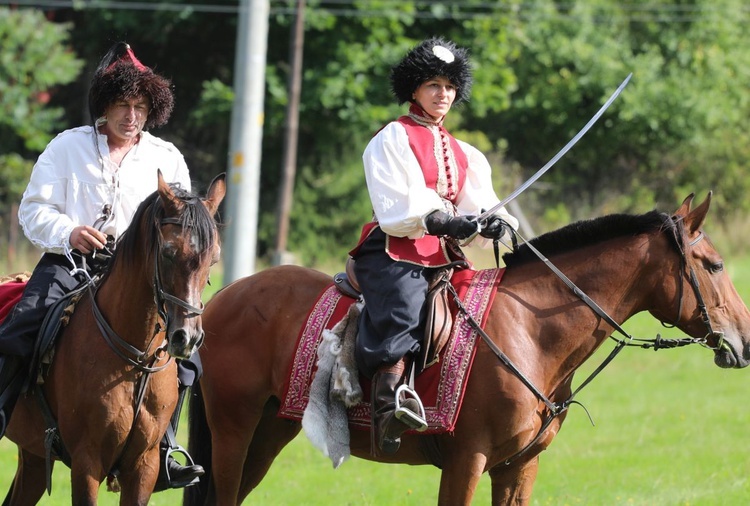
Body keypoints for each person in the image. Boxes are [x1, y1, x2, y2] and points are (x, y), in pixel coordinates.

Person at [0, 41, 204, 490]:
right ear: (104, 105)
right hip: (70, 263)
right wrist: (69, 231)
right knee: (21, 326)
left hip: (144, 277)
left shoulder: (166, 157)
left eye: (140, 106)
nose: (131, 116)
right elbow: (33, 210)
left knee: (188, 359)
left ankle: (165, 448)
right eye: (122, 105)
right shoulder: (66, 147)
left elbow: (185, 221)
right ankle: (8, 413)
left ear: (152, 110)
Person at [349, 37, 520, 454]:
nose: (443, 94)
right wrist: (441, 220)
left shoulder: (464, 153)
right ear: (414, 90)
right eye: (433, 86)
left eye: (449, 86)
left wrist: (492, 223)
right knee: (405, 304)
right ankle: (388, 402)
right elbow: (397, 206)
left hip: (444, 253)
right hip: (394, 246)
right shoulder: (391, 138)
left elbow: (478, 202)